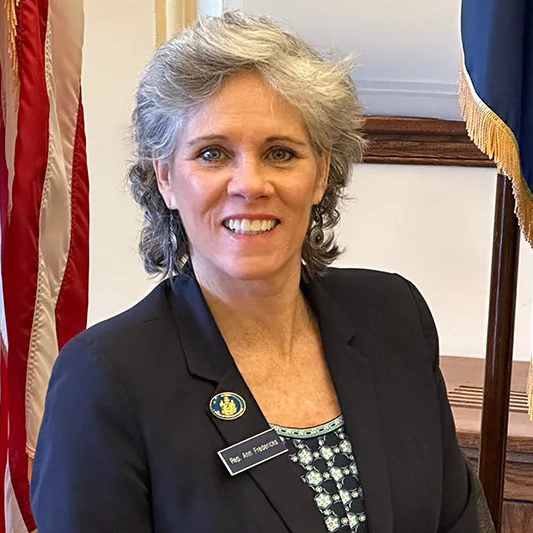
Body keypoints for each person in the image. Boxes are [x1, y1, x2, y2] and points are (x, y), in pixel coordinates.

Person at [30, 11, 493, 533]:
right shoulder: (105, 379)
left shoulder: (395, 316)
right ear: (165, 179)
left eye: (280, 152)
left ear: (321, 172)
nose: (249, 184)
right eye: (212, 153)